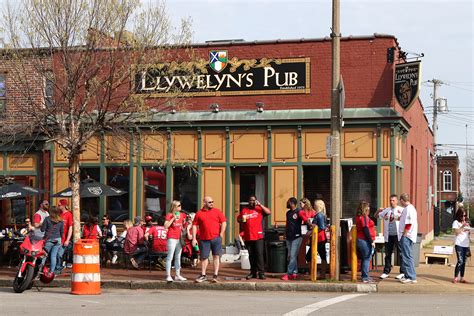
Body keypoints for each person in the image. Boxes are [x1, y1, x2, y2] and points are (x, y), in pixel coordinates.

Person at [192, 196, 227, 283]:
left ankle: (215, 275)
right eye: (210, 202)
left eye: (212, 202)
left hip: (216, 238)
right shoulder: (199, 213)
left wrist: (221, 233)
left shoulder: (217, 211)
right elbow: (194, 225)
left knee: (216, 256)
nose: (212, 203)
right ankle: (203, 275)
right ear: (204, 203)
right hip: (204, 239)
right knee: (204, 257)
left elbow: (224, 222)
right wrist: (194, 238)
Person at [238, 195, 271, 280]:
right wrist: (241, 219)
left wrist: (260, 205)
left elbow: (268, 212)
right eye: (250, 200)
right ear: (248, 201)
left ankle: (261, 273)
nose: (252, 202)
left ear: (256, 201)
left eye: (254, 200)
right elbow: (239, 219)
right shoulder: (244, 210)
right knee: (251, 255)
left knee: (259, 254)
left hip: (258, 236)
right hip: (248, 236)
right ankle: (253, 272)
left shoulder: (259, 209)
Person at [281, 197, 312, 281]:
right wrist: (284, 233)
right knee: (290, 256)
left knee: (293, 256)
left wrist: (311, 226)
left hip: (297, 237)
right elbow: (287, 224)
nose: (287, 204)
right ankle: (294, 272)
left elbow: (306, 220)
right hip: (289, 236)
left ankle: (289, 273)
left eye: (288, 202)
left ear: (292, 203)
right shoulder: (288, 213)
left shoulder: (299, 211)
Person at [374, 194, 404, 280]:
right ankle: (386, 271)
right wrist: (378, 210)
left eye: (393, 200)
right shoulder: (387, 210)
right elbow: (376, 216)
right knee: (388, 254)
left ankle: (403, 272)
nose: (392, 202)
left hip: (398, 235)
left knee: (401, 254)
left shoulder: (401, 210)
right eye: (390, 200)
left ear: (397, 201)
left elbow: (407, 220)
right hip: (389, 235)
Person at [164, 200, 187, 282]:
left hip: (179, 238)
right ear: (174, 207)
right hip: (171, 238)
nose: (180, 207)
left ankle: (177, 275)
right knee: (170, 257)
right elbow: (165, 226)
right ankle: (168, 275)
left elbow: (183, 227)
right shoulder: (169, 215)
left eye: (180, 205)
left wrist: (186, 223)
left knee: (178, 257)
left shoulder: (182, 215)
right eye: (178, 205)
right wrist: (173, 218)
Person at [398, 193, 418, 284]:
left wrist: (404, 234)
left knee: (407, 256)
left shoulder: (408, 209)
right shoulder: (410, 208)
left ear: (402, 200)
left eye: (400, 200)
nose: (400, 202)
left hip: (407, 236)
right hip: (409, 235)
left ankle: (411, 276)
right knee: (406, 256)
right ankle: (408, 275)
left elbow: (409, 223)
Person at [355, 201, 376, 283]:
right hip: (364, 240)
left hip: (361, 239)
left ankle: (365, 276)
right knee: (367, 258)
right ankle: (365, 277)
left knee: (365, 258)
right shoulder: (364, 217)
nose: (369, 209)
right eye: (368, 207)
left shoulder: (358, 217)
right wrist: (371, 241)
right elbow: (365, 229)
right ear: (365, 208)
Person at [41, 206, 64, 274]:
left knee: (44, 255)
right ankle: (51, 272)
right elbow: (62, 231)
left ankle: (39, 269)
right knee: (53, 256)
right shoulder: (61, 220)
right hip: (58, 239)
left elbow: (42, 229)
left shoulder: (47, 219)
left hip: (49, 239)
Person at [452, 207, 471, 283]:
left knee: (464, 261)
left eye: (465, 215)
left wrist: (469, 230)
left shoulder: (467, 222)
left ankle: (462, 277)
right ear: (459, 215)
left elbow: (468, 234)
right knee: (460, 260)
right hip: (459, 244)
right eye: (462, 216)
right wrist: (463, 226)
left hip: (466, 244)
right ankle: (456, 277)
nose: (463, 217)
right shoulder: (456, 222)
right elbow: (456, 232)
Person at [311, 199, 328, 279]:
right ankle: (322, 274)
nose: (313, 206)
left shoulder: (319, 215)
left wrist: (313, 226)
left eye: (314, 205)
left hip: (319, 238)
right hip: (321, 237)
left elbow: (321, 227)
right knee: (323, 256)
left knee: (310, 256)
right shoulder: (321, 215)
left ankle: (315, 272)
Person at [56, 199, 73, 272]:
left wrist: (67, 239)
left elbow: (70, 227)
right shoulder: (58, 214)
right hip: (57, 237)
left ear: (63, 206)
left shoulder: (69, 214)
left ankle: (58, 269)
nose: (58, 206)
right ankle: (57, 268)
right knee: (56, 254)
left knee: (59, 254)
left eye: (59, 205)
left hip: (63, 238)